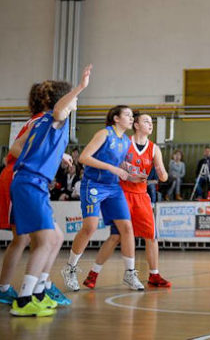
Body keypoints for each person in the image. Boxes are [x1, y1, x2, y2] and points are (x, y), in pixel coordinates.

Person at [8, 65, 90, 316]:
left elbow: (18, 146)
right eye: (73, 99)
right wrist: (80, 87)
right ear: (64, 100)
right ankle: (24, 300)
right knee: (43, 242)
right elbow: (58, 109)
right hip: (29, 183)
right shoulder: (56, 117)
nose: (75, 102)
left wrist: (56, 156)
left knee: (56, 237)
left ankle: (39, 291)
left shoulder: (40, 122)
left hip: (33, 182)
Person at [81, 112, 171, 290]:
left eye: (151, 122)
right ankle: (93, 274)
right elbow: (114, 164)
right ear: (136, 125)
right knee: (115, 236)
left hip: (142, 196)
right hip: (122, 193)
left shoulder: (154, 148)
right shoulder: (124, 143)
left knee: (151, 237)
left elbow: (164, 177)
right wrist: (127, 172)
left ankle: (154, 275)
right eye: (146, 121)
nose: (150, 124)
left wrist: (161, 172)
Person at [62, 105, 145, 292]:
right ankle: (70, 268)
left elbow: (119, 163)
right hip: (93, 185)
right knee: (90, 227)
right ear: (116, 118)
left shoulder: (125, 140)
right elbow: (84, 157)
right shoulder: (104, 134)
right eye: (128, 115)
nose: (132, 118)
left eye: (132, 116)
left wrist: (133, 172)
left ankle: (130, 273)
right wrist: (112, 169)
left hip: (113, 187)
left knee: (127, 228)